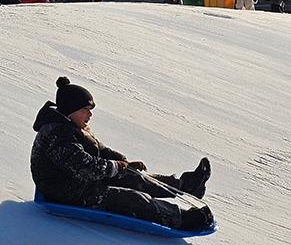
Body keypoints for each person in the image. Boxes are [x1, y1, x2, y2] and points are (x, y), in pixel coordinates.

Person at [30, 76, 214, 231]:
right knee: (130, 199)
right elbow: (84, 166)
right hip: (64, 190)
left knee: (134, 177)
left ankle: (186, 185)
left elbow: (98, 149)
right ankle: (181, 219)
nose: (90, 115)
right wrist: (115, 167)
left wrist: (120, 161)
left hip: (79, 180)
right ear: (71, 111)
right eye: (85, 110)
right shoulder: (57, 134)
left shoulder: (71, 125)